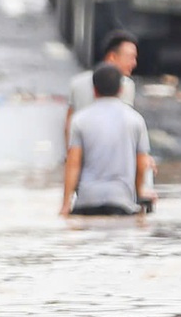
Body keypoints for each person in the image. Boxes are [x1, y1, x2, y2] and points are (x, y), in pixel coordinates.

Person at [64, 64, 156, 216]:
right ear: (121, 89)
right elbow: (141, 164)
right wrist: (140, 194)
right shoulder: (135, 120)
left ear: (94, 90)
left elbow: (73, 164)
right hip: (121, 201)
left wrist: (65, 204)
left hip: (86, 201)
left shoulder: (79, 120)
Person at [66, 29, 138, 139]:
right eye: (130, 57)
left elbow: (68, 124)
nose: (134, 63)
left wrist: (70, 153)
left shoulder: (77, 83)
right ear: (112, 57)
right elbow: (125, 128)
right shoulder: (125, 85)